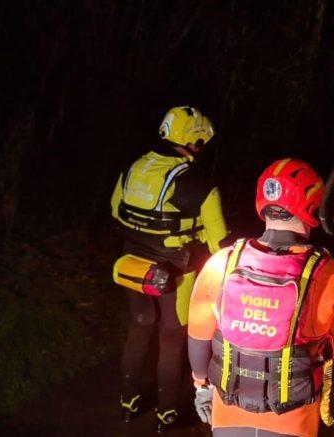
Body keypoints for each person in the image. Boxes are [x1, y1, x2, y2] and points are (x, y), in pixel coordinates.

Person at [187, 158, 334, 437]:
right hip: (293, 422)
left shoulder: (221, 263)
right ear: (314, 205)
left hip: (227, 417)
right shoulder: (330, 276)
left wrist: (201, 388)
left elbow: (198, 341)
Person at [110, 106, 228, 431]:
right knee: (172, 342)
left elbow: (116, 212)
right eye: (201, 142)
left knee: (138, 332)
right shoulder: (201, 187)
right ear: (194, 142)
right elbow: (221, 245)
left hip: (133, 267)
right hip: (177, 275)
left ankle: (128, 404)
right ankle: (167, 413)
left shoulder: (133, 169)